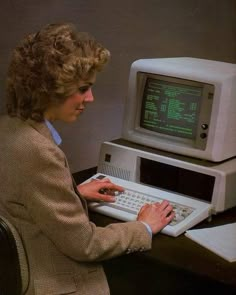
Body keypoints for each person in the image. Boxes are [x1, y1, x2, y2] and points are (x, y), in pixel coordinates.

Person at [0, 23, 174, 295]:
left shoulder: (8, 128)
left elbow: (22, 199)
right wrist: (143, 227)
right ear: (51, 89)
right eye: (82, 88)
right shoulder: (38, 152)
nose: (90, 98)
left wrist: (73, 193)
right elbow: (85, 244)